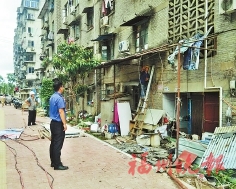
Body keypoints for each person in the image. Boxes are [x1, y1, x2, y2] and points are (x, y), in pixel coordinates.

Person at [49, 79, 68, 170]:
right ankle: (57, 164)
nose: (63, 88)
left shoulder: (52, 97)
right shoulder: (59, 98)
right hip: (58, 123)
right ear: (60, 87)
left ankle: (53, 162)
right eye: (62, 86)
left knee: (53, 143)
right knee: (57, 144)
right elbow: (61, 111)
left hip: (53, 123)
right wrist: (64, 124)